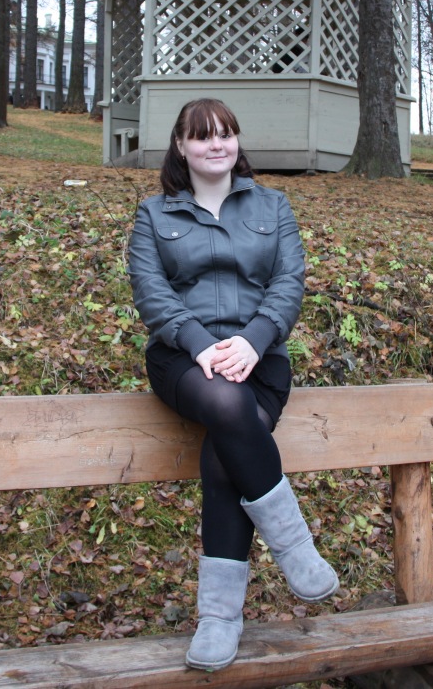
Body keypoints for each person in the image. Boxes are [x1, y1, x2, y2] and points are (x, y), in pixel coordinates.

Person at [128, 98, 338, 671]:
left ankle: (219, 619)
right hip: (183, 361)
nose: (216, 144)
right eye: (202, 136)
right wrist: (202, 345)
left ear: (237, 142)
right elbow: (151, 292)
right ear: (181, 146)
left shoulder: (273, 205)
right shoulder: (153, 215)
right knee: (225, 401)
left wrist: (253, 340)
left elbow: (289, 282)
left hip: (260, 359)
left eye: (225, 134)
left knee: (226, 451)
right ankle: (295, 550)